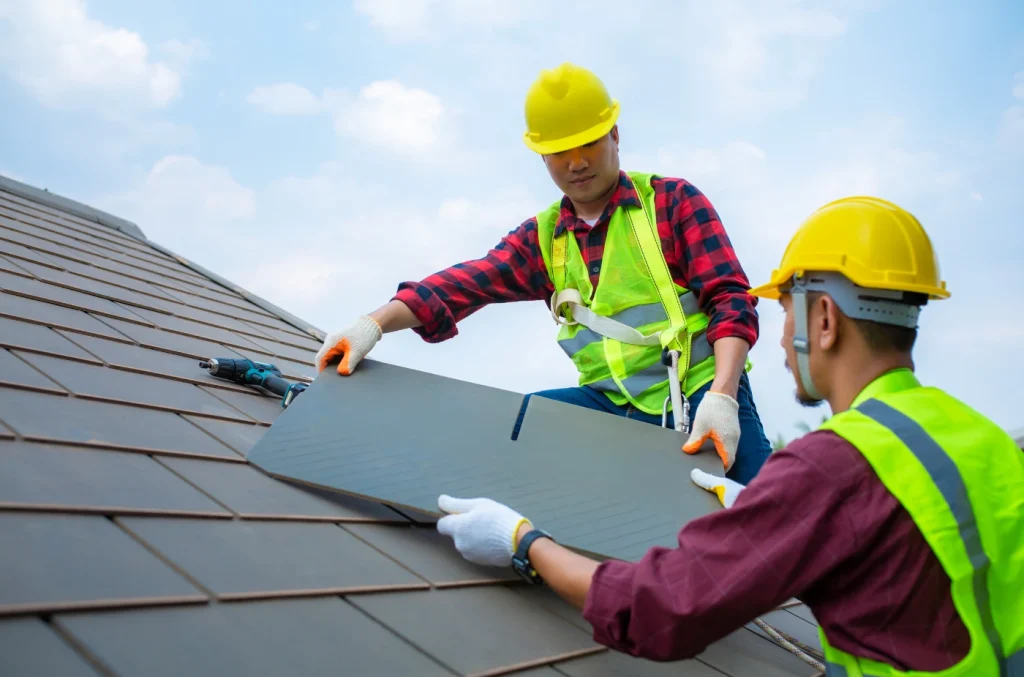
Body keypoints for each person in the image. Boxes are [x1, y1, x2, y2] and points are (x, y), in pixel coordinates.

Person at [433, 196, 1024, 675]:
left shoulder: (833, 466)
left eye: (786, 310)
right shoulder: (983, 438)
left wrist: (522, 541)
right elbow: (920, 581)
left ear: (824, 320)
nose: (781, 332)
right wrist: (775, 517)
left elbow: (657, 612)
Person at [315, 62, 773, 484]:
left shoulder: (671, 203)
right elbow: (464, 284)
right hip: (608, 403)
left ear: (615, 135)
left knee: (768, 514)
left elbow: (730, 299)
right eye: (559, 151)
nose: (576, 162)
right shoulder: (543, 238)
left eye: (589, 142)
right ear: (542, 158)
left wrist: (723, 396)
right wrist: (372, 324)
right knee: (521, 430)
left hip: (701, 394)